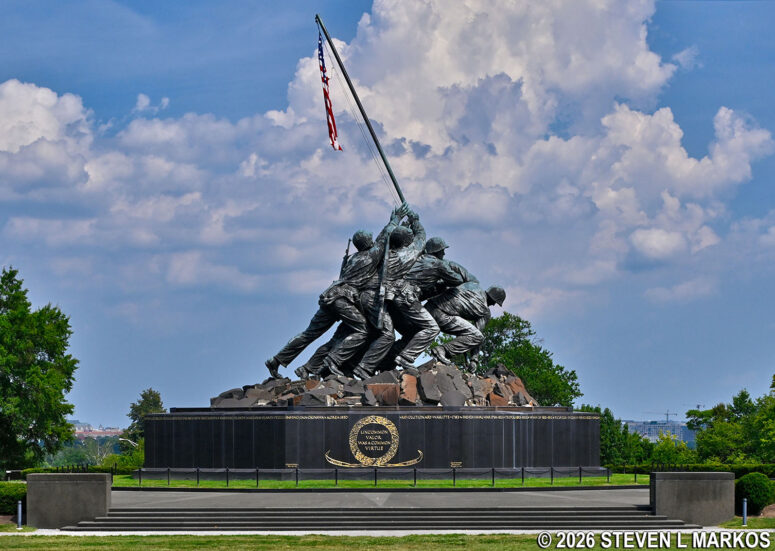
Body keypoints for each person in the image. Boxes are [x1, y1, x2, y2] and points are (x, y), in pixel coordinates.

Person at [264, 206, 405, 378]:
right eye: (371, 238)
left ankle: (277, 360)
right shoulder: (370, 256)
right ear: (368, 242)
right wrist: (395, 219)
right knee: (362, 331)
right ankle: (333, 361)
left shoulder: (353, 258)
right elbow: (385, 237)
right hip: (342, 299)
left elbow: (381, 239)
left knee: (309, 333)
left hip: (329, 296)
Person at [426, 283, 506, 371]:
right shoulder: (485, 311)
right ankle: (442, 350)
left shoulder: (472, 285)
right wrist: (474, 360)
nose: (494, 305)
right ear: (493, 298)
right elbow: (477, 335)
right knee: (478, 336)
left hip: (428, 307)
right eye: (495, 302)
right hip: (442, 315)